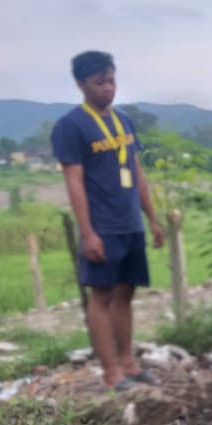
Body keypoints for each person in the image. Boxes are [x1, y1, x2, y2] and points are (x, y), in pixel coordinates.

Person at [51, 51, 165, 391]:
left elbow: (137, 172)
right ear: (81, 84)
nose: (108, 88)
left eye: (111, 80)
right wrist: (87, 233)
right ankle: (111, 372)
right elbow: (73, 181)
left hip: (130, 223)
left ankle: (128, 363)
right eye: (99, 82)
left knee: (126, 292)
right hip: (101, 227)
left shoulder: (124, 121)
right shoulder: (70, 127)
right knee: (100, 296)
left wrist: (153, 219)